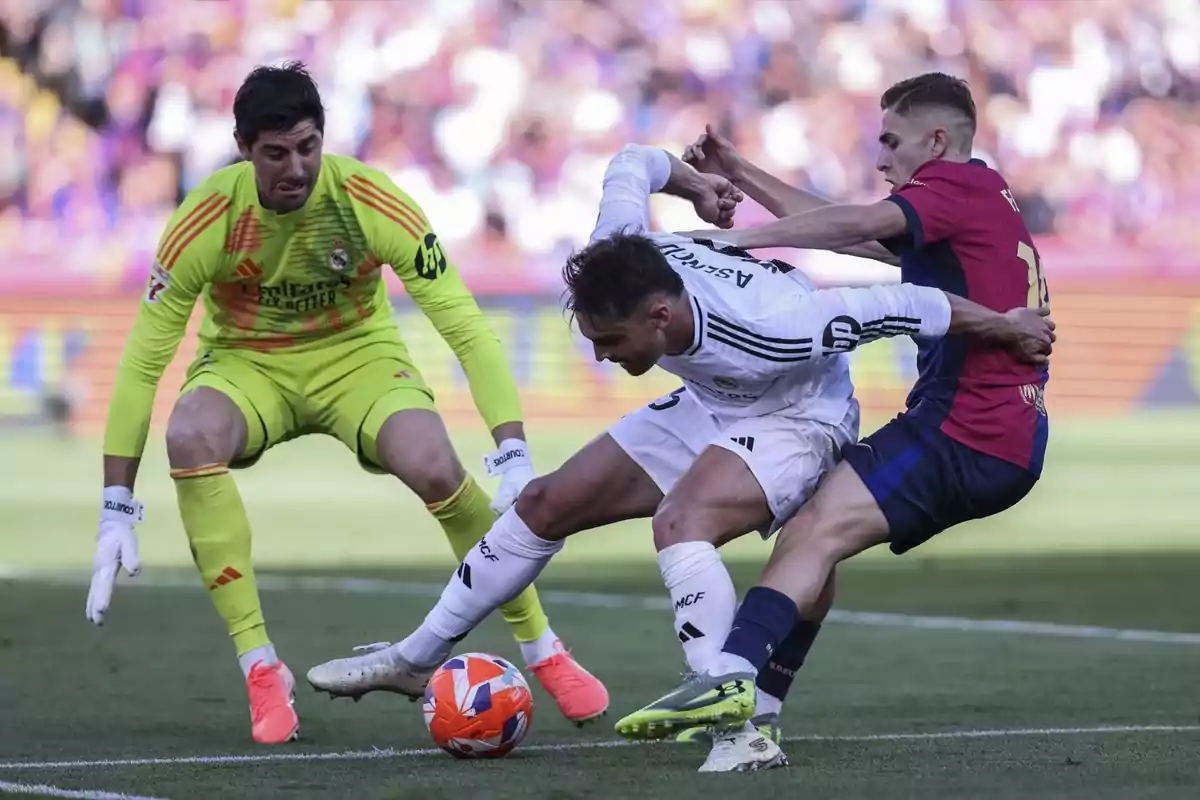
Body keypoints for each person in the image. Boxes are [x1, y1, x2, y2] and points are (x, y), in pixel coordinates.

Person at [305, 138, 1053, 772]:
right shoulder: (622, 257)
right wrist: (693, 181)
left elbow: (911, 305)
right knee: (545, 503)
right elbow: (632, 164)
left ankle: (737, 727)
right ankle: (416, 656)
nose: (602, 358)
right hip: (714, 398)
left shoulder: (783, 324)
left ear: (659, 317)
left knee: (680, 520)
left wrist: (1009, 327)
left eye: (613, 343)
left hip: (799, 414)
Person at [83, 62, 608, 745]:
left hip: (357, 358)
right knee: (189, 436)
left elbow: (462, 323)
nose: (295, 167)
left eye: (307, 146)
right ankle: (260, 667)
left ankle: (544, 649)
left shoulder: (368, 198)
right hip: (248, 365)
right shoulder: (206, 217)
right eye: (276, 153)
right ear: (244, 149)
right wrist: (115, 504)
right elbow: (144, 358)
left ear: (323, 138)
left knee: (435, 463)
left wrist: (511, 448)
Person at [614, 72, 1056, 756]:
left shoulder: (954, 191)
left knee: (813, 531)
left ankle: (731, 678)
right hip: (992, 429)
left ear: (936, 140)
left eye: (891, 141)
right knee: (810, 534)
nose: (881, 159)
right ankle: (751, 713)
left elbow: (854, 220)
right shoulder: (975, 196)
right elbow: (849, 237)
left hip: (966, 430)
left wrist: (728, 245)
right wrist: (741, 172)